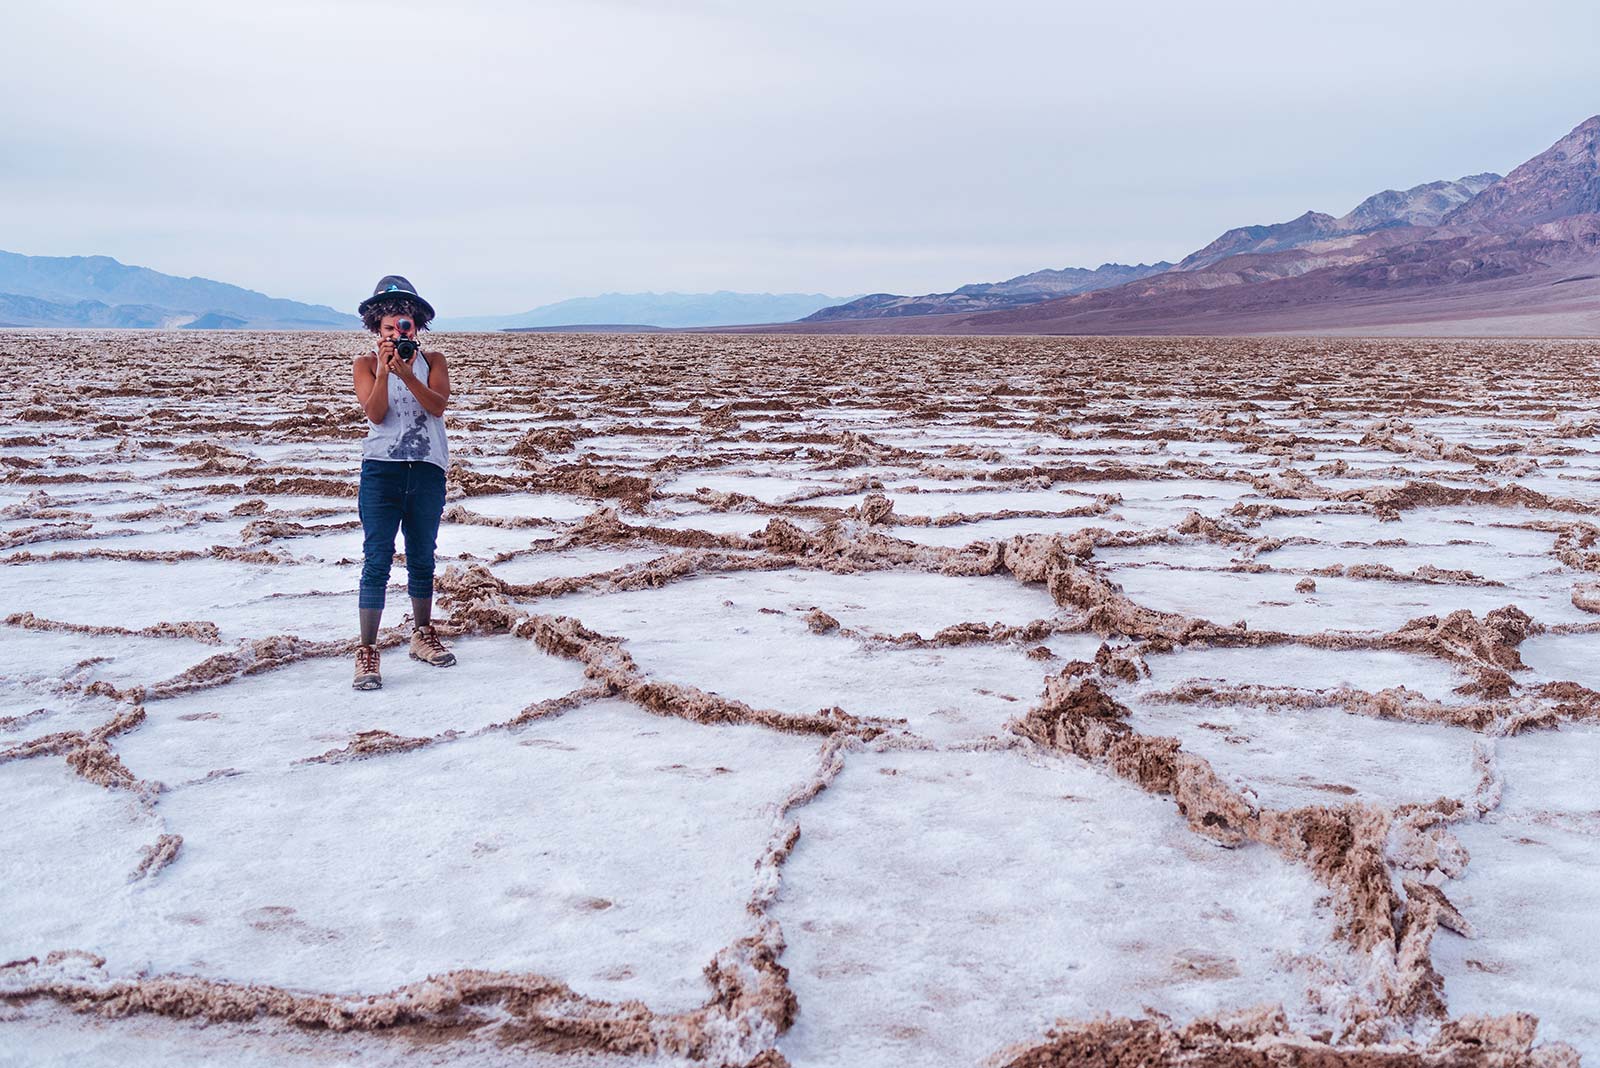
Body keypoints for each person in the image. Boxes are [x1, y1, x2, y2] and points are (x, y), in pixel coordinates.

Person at [350, 275, 457, 689]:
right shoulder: (364, 364)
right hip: (382, 470)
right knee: (377, 558)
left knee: (422, 556)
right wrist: (383, 371)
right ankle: (368, 650)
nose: (397, 333)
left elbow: (437, 407)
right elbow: (375, 414)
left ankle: (422, 634)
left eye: (404, 326)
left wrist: (409, 373)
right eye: (389, 327)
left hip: (427, 467)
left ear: (417, 324)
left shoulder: (435, 361)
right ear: (377, 328)